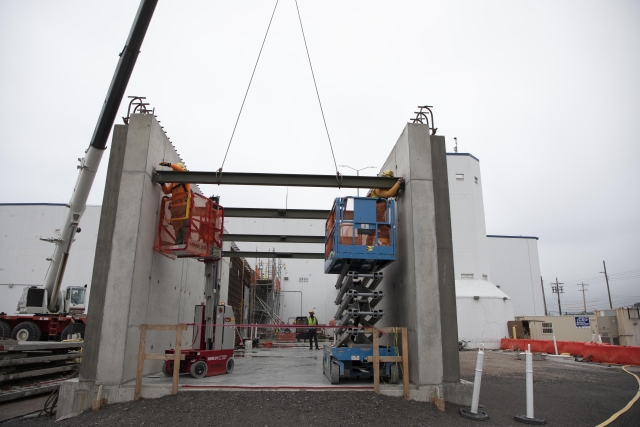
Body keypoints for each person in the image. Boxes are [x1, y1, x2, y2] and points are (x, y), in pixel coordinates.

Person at [366, 170, 404, 246]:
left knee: (378, 230)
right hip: (375, 213)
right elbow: (389, 193)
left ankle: (380, 246)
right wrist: (398, 183)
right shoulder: (377, 189)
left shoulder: (380, 189)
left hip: (378, 214)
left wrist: (396, 188)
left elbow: (392, 193)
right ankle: (378, 246)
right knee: (380, 230)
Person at [159, 162, 191, 245]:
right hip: (175, 208)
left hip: (184, 206)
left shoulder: (186, 178)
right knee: (177, 227)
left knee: (184, 227)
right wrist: (162, 184)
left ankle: (185, 244)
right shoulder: (173, 182)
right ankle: (179, 244)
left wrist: (169, 164)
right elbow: (166, 191)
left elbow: (182, 171)